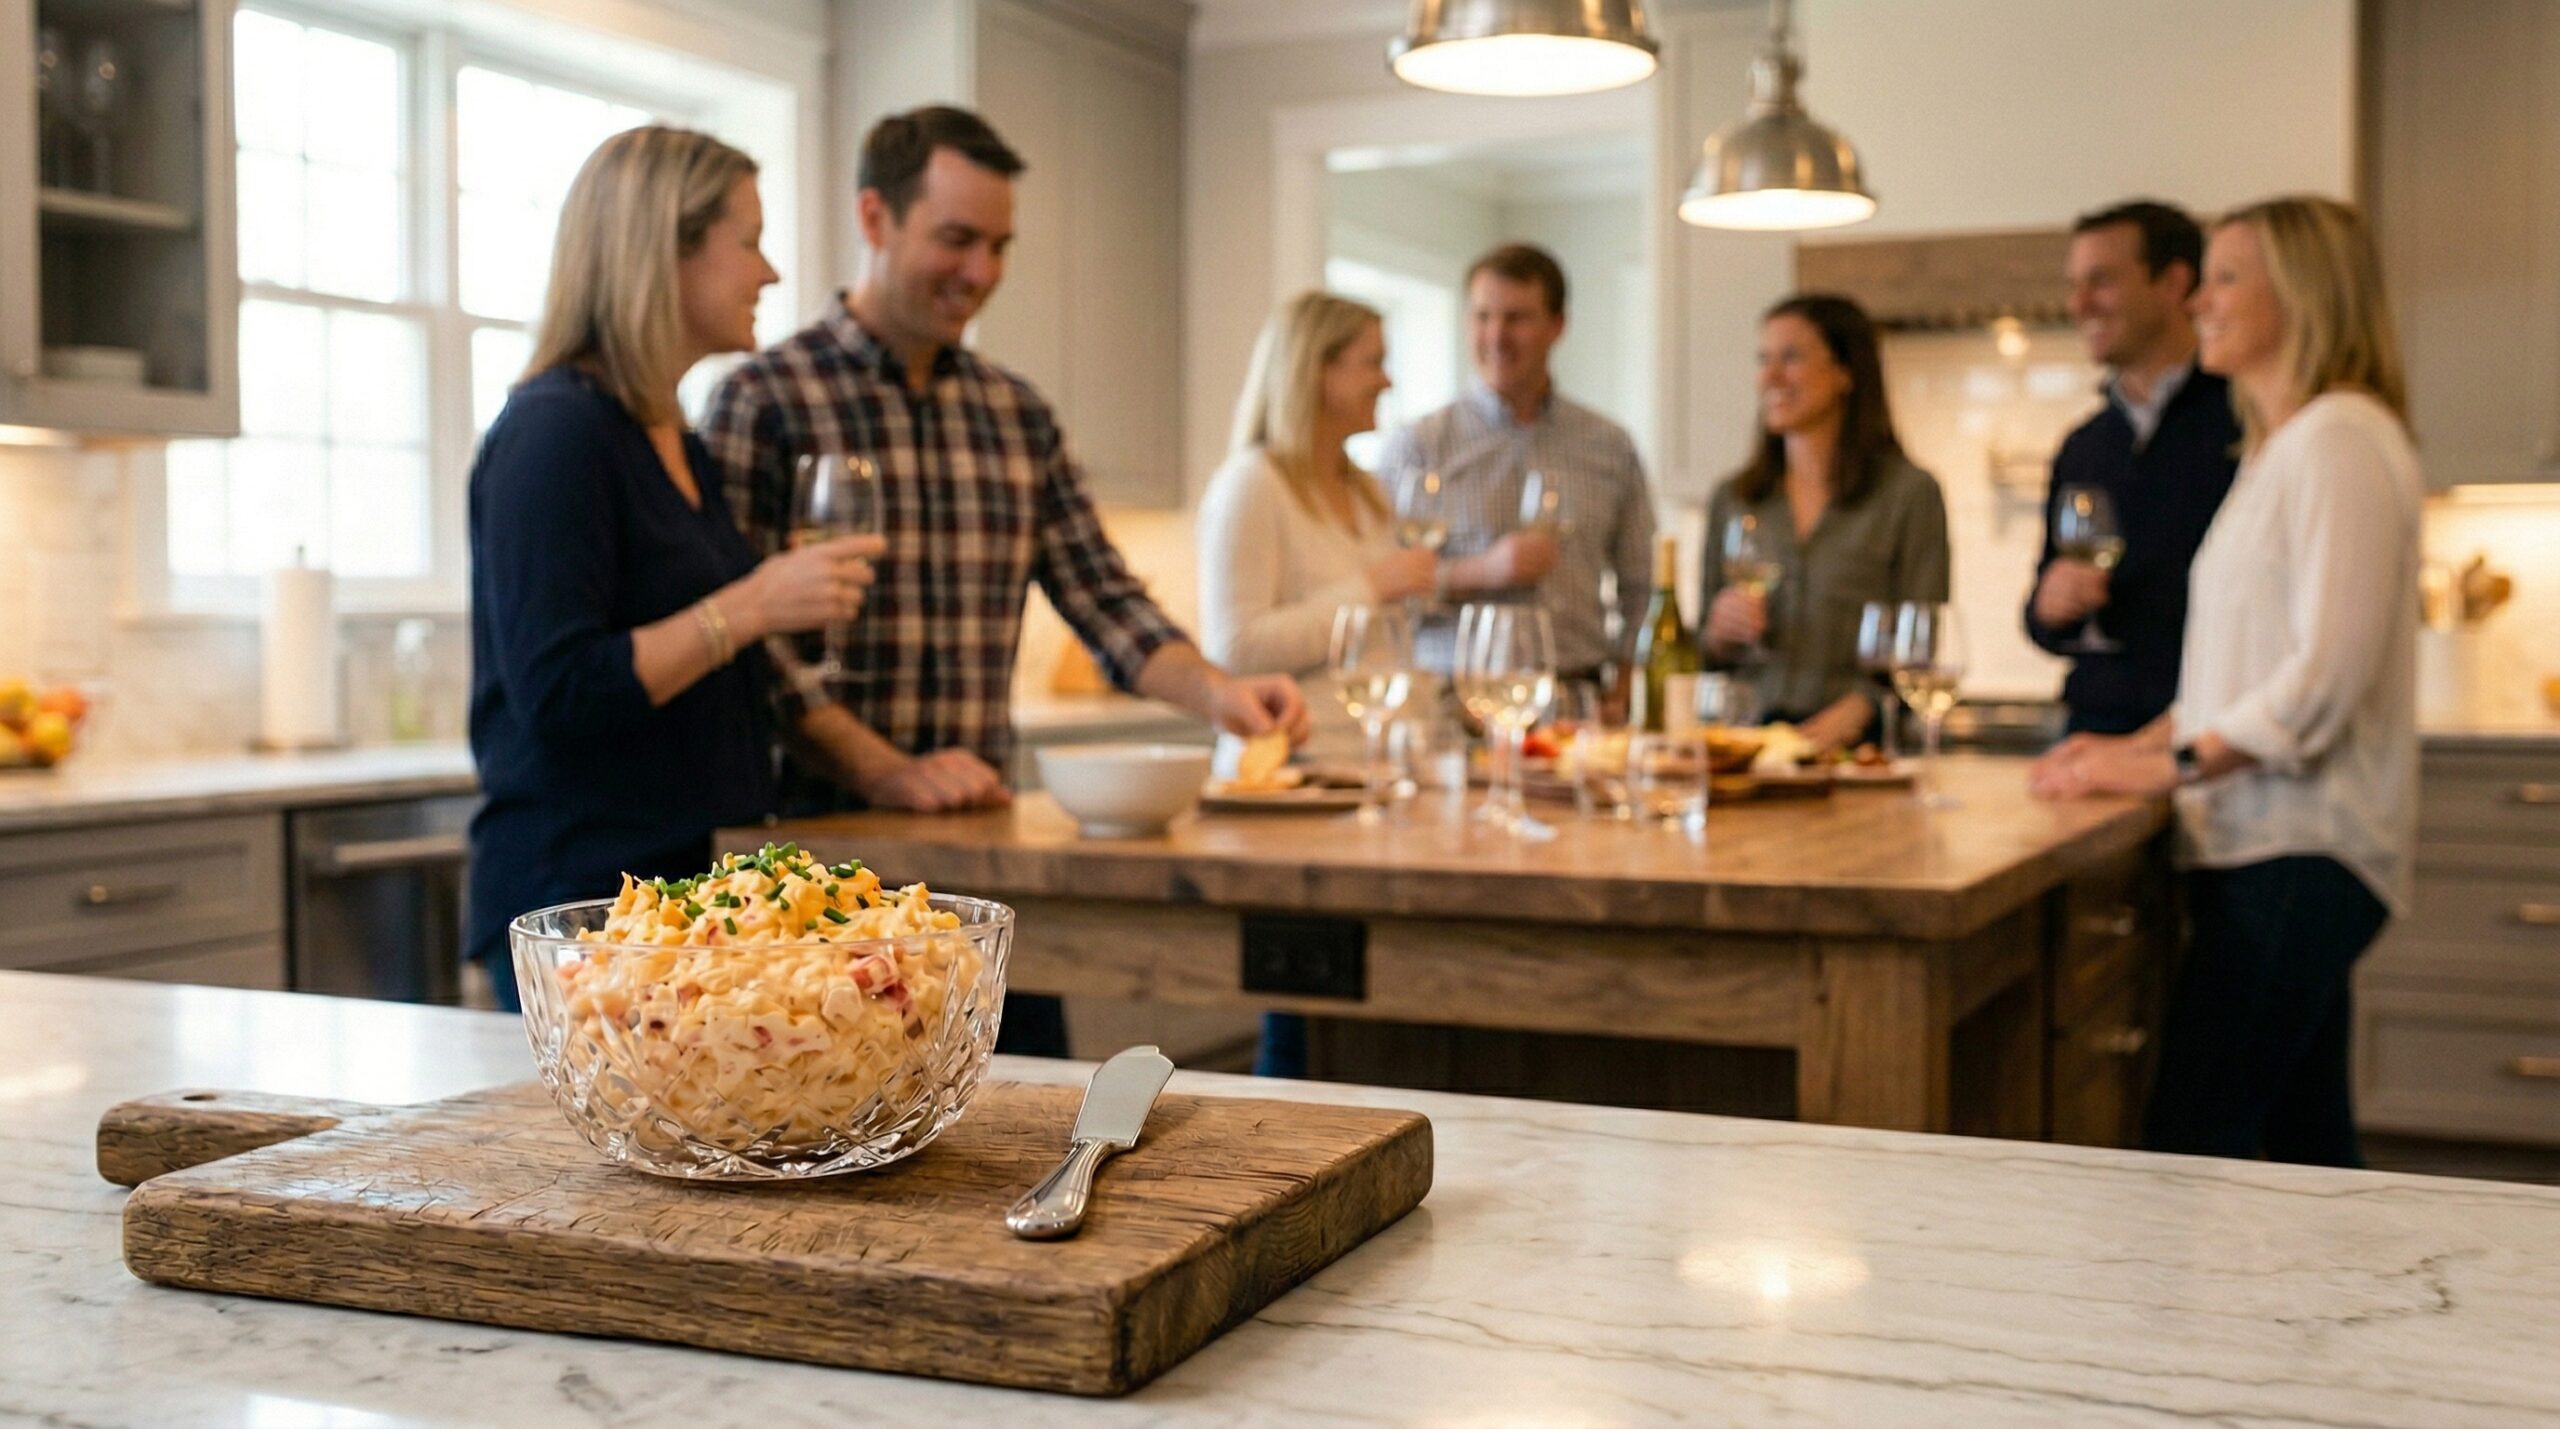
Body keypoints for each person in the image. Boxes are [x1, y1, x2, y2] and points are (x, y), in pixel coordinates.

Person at [700, 105, 1308, 1057]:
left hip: (981, 872)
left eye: (999, 245)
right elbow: (748, 639)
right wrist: (885, 769)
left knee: (1030, 1121)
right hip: (814, 868)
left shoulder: (1014, 415)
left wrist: (1222, 694)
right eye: (956, 239)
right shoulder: (763, 400)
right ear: (875, 218)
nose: (981, 272)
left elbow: (1105, 598)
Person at [2029, 196, 2422, 1168]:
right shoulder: (2281, 449)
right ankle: (2344, 1316)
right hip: (2265, 846)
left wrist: (2166, 766)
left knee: (2194, 1139)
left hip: (2295, 848)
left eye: (2226, 277)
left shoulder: (2338, 440)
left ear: (2302, 292)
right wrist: (2122, 749)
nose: (2200, 298)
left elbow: (2320, 681)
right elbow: (2234, 672)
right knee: (2300, 1143)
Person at [465, 127, 881, 1011]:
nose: (768, 273)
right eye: (749, 241)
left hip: (672, 900)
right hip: (581, 912)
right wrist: (753, 603)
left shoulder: (667, 432)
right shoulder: (554, 434)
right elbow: (561, 691)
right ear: (666, 250)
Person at [1375, 243, 1655, 688]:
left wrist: (1627, 682)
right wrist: (1482, 571)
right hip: (1455, 699)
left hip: (1577, 697)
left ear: (1557, 326)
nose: (1496, 337)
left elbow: (1642, 587)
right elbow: (1381, 588)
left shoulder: (1609, 445)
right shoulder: (1419, 446)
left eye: (1517, 318)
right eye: (1483, 317)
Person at [2026, 201, 2241, 734]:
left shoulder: (2245, 423)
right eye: (2075, 284)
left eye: (2101, 282)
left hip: (2209, 735)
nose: (2079, 304)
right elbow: (2042, 618)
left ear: (2173, 283)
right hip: (2091, 729)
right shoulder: (2084, 445)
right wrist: (2048, 605)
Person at [1697, 294, 1949, 749]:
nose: (1769, 377)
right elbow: (1700, 652)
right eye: (1763, 359)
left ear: (1845, 372)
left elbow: (1919, 644)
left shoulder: (1909, 495)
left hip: (1859, 752)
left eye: (1790, 357)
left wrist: (1859, 710)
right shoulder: (1734, 499)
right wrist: (1716, 634)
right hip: (1747, 750)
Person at [1197, 291, 1431, 765]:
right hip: (1292, 773)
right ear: (1318, 370)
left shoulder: (1366, 490)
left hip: (1377, 767)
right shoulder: (1252, 483)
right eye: (1373, 363)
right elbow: (1234, 651)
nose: (1387, 381)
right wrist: (1371, 587)